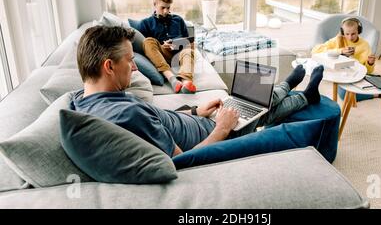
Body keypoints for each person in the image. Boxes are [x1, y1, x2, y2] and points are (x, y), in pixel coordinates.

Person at [71, 25, 325, 157]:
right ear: (109, 67)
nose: (135, 67)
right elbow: (183, 162)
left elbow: (159, 120)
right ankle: (301, 93)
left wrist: (195, 110)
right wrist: (222, 128)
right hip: (217, 136)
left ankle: (290, 88)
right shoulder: (125, 117)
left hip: (200, 119)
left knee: (251, 103)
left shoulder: (85, 100)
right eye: (129, 59)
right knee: (263, 112)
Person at [311, 17, 381, 101]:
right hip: (342, 77)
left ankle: (369, 92)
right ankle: (376, 95)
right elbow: (315, 51)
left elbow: (368, 71)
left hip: (359, 76)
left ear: (359, 31)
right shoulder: (338, 40)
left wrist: (370, 63)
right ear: (342, 32)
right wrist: (340, 51)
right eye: (347, 34)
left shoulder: (365, 45)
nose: (350, 37)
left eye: (353, 34)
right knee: (345, 94)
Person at [132, 0, 196, 94]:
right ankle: (172, 80)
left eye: (168, 7)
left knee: (190, 47)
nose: (166, 11)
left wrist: (177, 44)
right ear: (155, 5)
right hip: (161, 55)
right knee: (148, 41)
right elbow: (147, 49)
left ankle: (186, 82)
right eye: (163, 8)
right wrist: (162, 45)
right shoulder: (146, 23)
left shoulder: (178, 20)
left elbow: (187, 40)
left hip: (180, 53)